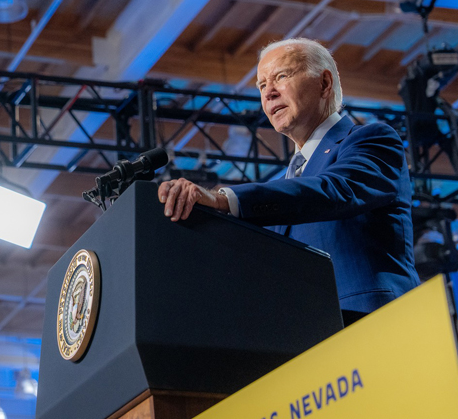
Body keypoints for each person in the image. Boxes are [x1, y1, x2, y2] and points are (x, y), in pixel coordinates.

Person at [158, 38, 419, 323]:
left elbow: (336, 190)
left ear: (324, 83)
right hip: (307, 340)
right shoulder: (284, 182)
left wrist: (223, 199)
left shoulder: (370, 140)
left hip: (378, 325)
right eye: (261, 85)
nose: (268, 93)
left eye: (281, 76)